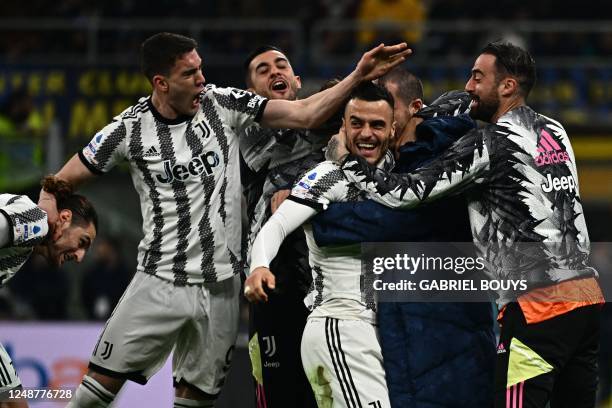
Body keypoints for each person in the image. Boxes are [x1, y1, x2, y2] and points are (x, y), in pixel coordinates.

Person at [38, 32, 409, 408]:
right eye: (189, 74)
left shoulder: (223, 102)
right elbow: (59, 183)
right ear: (161, 83)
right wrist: (45, 220)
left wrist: (358, 74)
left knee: (194, 403)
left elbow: (305, 113)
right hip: (159, 281)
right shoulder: (128, 129)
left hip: (221, 288)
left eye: (200, 69)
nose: (201, 79)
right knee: (92, 396)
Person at [337, 41, 604, 408]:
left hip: (536, 307)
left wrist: (349, 164)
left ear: (508, 86)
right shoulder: (553, 130)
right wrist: (421, 113)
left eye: (478, 77)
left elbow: (406, 193)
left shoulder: (489, 144)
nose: (469, 86)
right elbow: (462, 102)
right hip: (586, 301)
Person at [311, 67, 496, 407]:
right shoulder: (394, 167)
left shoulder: (444, 162)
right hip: (411, 334)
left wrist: (315, 211)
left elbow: (387, 223)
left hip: (448, 338)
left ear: (414, 108)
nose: (376, 113)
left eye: (387, 104)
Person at [245, 82, 396, 408]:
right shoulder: (327, 176)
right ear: (342, 126)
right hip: (339, 326)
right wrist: (259, 265)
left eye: (377, 125)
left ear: (393, 129)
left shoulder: (398, 176)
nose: (366, 133)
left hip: (376, 331)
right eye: (356, 123)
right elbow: (276, 227)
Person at [240, 45, 326, 408]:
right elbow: (300, 123)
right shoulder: (247, 129)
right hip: (274, 278)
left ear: (297, 81)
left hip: (324, 277)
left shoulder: (332, 130)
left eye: (282, 65)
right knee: (278, 394)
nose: (274, 71)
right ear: (250, 94)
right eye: (263, 69)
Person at [0, 175, 98, 408]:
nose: (80, 256)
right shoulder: (36, 222)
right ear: (64, 218)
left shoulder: (29, 240)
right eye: (83, 242)